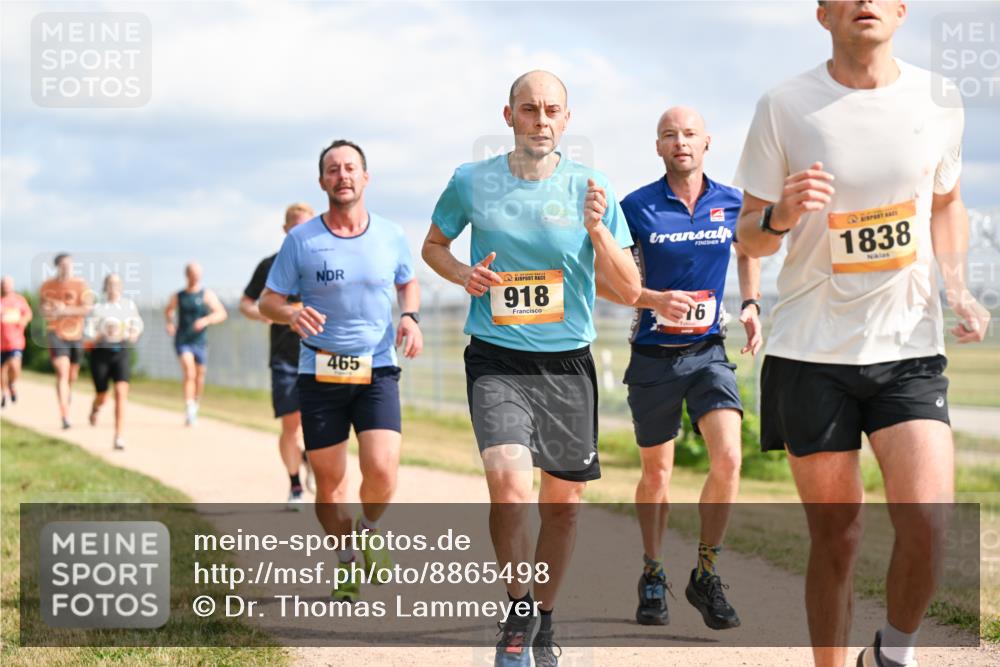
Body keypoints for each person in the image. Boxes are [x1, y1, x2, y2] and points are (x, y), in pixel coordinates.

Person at [733, 2, 990, 666]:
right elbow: (749, 232)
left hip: (907, 348)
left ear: (902, 11)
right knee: (837, 535)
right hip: (809, 352)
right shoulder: (784, 105)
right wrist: (784, 213)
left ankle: (892, 653)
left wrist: (956, 286)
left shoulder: (939, 100)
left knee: (930, 523)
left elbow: (946, 202)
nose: (865, 1)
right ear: (823, 15)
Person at [422, 70, 640, 667]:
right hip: (496, 358)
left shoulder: (593, 186)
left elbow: (627, 287)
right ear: (508, 115)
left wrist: (597, 231)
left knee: (563, 508)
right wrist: (463, 274)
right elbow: (433, 247)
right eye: (528, 109)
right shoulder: (471, 181)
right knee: (511, 488)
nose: (540, 120)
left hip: (568, 363)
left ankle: (543, 618)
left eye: (551, 111)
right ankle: (516, 610)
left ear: (566, 120)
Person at [600, 106, 761, 629]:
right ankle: (652, 571)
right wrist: (651, 299)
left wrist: (752, 302)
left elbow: (751, 248)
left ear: (707, 142)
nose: (680, 142)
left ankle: (706, 573)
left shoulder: (731, 201)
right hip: (652, 356)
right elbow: (608, 282)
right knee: (657, 474)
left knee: (730, 457)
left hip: (709, 352)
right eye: (670, 135)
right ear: (658, 147)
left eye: (689, 133)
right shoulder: (635, 206)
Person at [260, 139, 422, 603]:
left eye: (351, 167)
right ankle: (347, 560)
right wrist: (289, 313)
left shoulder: (390, 234)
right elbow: (268, 301)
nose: (343, 175)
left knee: (383, 469)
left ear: (365, 177)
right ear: (322, 181)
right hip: (320, 375)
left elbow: (407, 281)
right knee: (330, 486)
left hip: (378, 368)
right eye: (333, 169)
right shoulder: (301, 240)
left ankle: (369, 530)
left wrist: (409, 317)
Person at [241, 202, 316, 508]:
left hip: (319, 355)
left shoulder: (322, 263)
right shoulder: (270, 265)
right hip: (285, 357)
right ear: (285, 230)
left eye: (306, 227)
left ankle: (313, 460)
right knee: (291, 425)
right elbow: (246, 303)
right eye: (294, 228)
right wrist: (264, 314)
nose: (300, 233)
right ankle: (295, 485)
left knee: (320, 424)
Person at [163, 262, 227, 425]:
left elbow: (221, 313)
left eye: (198, 273)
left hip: (200, 341)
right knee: (189, 371)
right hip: (183, 340)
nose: (195, 276)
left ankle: (196, 402)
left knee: (200, 376)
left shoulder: (206, 294)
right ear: (187, 275)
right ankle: (189, 406)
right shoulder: (179, 296)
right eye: (192, 273)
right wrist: (170, 323)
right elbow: (168, 310)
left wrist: (206, 320)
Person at [85, 273, 144, 450]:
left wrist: (133, 333)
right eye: (110, 284)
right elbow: (87, 335)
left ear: (121, 287)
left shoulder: (128, 306)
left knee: (120, 392)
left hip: (121, 351)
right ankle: (96, 407)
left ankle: (118, 435)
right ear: (105, 287)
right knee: (102, 394)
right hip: (101, 353)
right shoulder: (98, 308)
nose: (113, 287)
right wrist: (101, 334)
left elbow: (137, 325)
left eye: (116, 284)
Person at [40, 253, 92, 429]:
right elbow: (43, 309)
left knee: (72, 375)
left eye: (69, 265)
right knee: (62, 372)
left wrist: (65, 310)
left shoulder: (81, 285)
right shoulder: (47, 286)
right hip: (55, 333)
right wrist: (50, 310)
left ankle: (68, 391)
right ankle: (65, 415)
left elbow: (86, 309)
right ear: (57, 267)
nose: (67, 268)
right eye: (63, 265)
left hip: (76, 334)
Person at [1, 275, 33, 408]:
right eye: (4, 284)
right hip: (1, 343)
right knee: (2, 370)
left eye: (8, 284)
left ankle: (11, 384)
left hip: (16, 341)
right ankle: (4, 395)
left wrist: (23, 321)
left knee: (15, 366)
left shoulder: (19, 300)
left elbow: (28, 314)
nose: (6, 286)